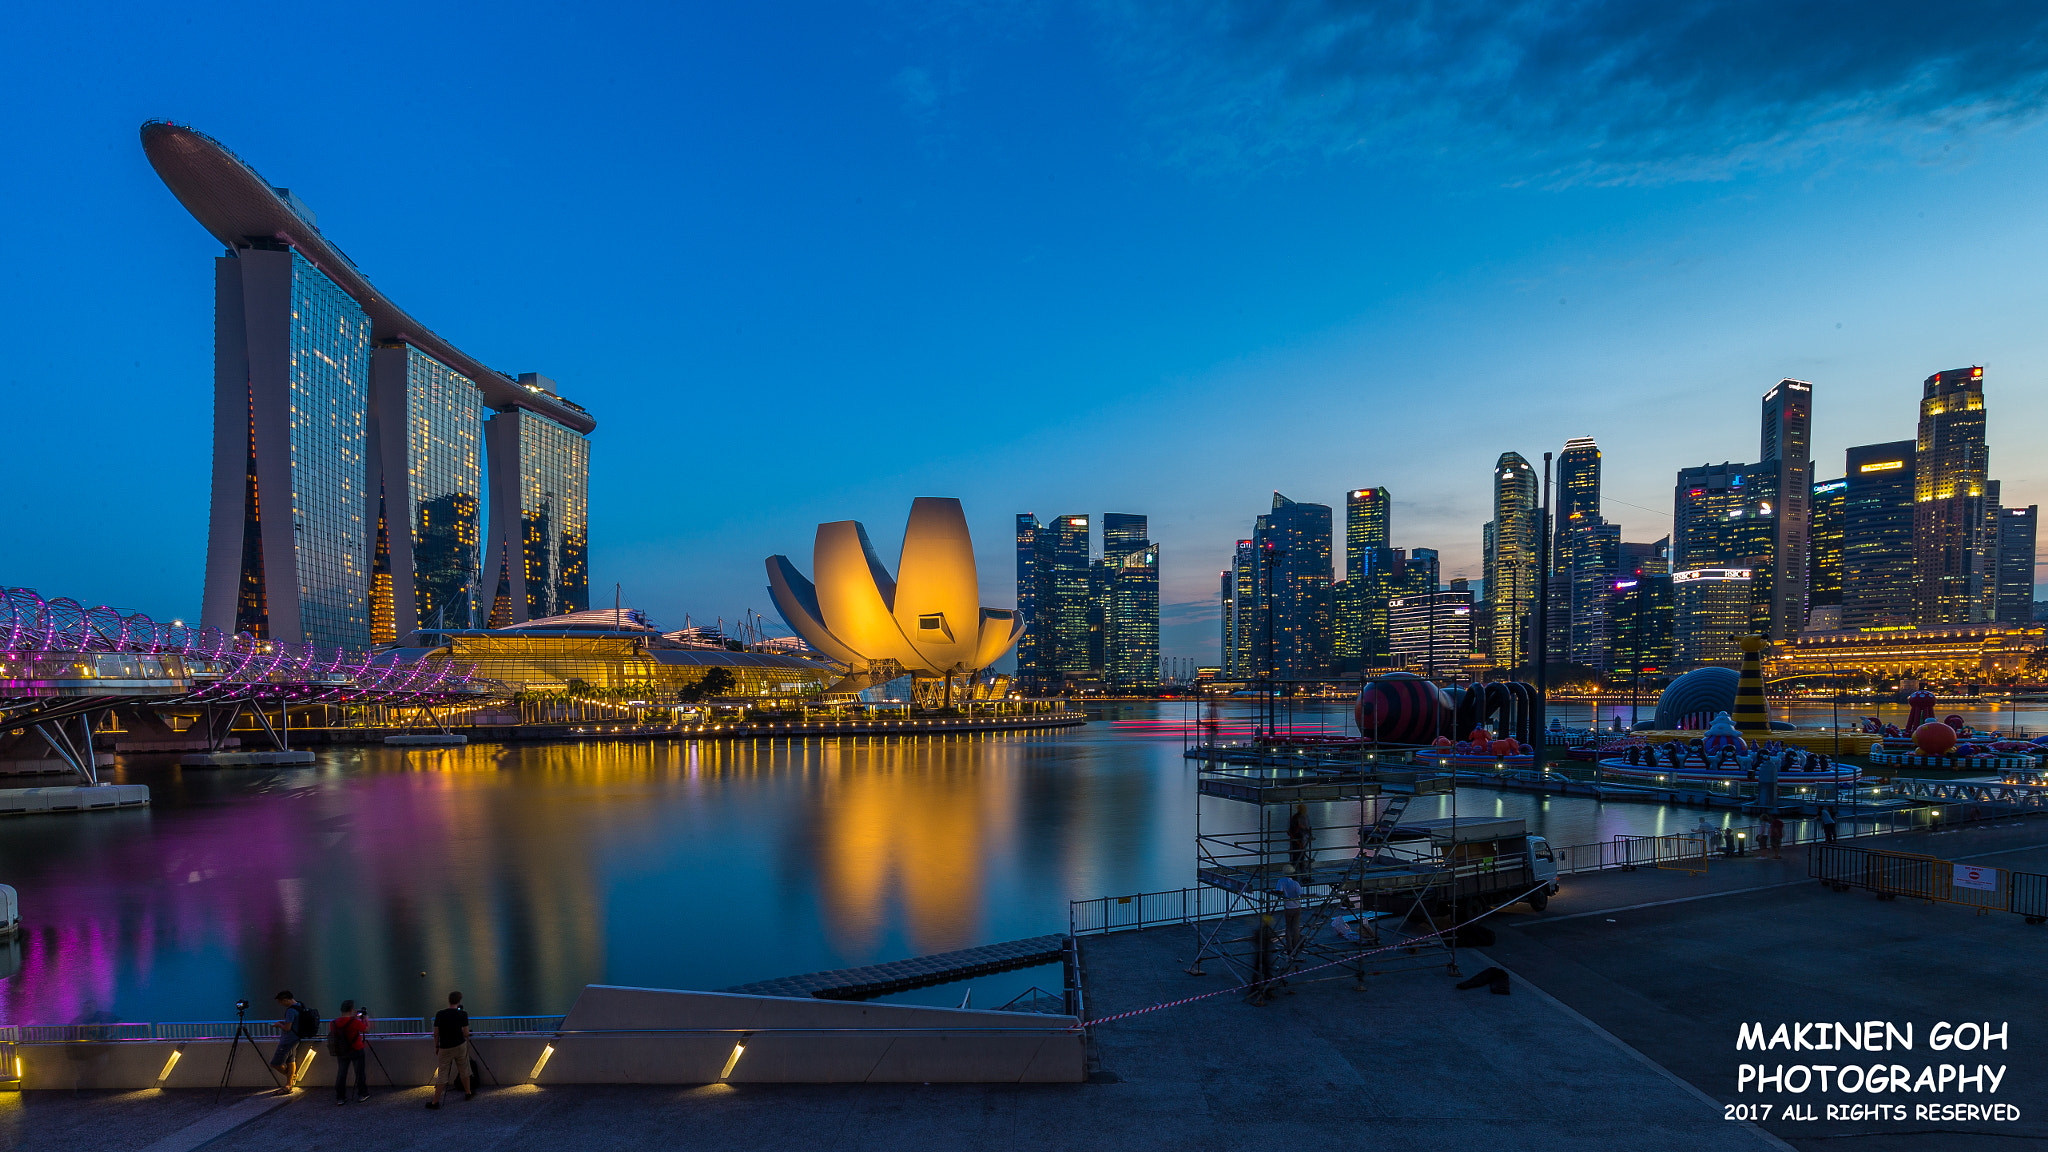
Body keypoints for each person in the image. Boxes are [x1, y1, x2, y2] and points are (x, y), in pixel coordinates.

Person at [427, 991, 473, 1109]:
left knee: (442, 1074)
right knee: (464, 1069)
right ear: (459, 1001)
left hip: (445, 1048)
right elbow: (466, 1033)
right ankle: (468, 1093)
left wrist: (436, 1046)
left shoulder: (440, 1014)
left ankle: (435, 1102)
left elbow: (436, 1033)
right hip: (460, 1046)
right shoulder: (463, 1014)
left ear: (449, 1001)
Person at [328, 1000, 368, 1104]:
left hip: (341, 1051)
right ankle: (362, 1094)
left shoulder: (333, 1023)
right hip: (356, 1050)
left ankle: (340, 1097)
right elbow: (366, 1030)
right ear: (351, 1010)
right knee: (359, 1073)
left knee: (341, 1073)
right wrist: (364, 1019)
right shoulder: (355, 1022)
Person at [270, 991, 311, 1090]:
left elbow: (287, 1028)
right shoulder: (300, 1005)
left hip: (288, 1040)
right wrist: (283, 1022)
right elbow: (293, 1023)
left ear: (285, 1000)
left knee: (275, 1063)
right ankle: (288, 1084)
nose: (281, 1004)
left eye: (281, 1002)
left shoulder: (290, 1011)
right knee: (290, 1060)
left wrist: (279, 1025)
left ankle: (292, 1078)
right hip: (296, 1038)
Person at [1275, 875, 1304, 955]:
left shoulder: (1281, 881)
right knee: (1296, 927)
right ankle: (1296, 945)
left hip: (1288, 907)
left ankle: (1289, 947)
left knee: (1288, 928)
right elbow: (1301, 894)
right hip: (1297, 907)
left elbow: (1279, 892)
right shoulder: (1295, 883)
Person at [1286, 802, 1313, 874]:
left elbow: (1304, 828)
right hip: (1297, 839)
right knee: (1297, 857)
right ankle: (1297, 873)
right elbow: (1300, 829)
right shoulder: (1298, 817)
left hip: (1299, 839)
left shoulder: (1299, 817)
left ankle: (1298, 872)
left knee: (1299, 857)